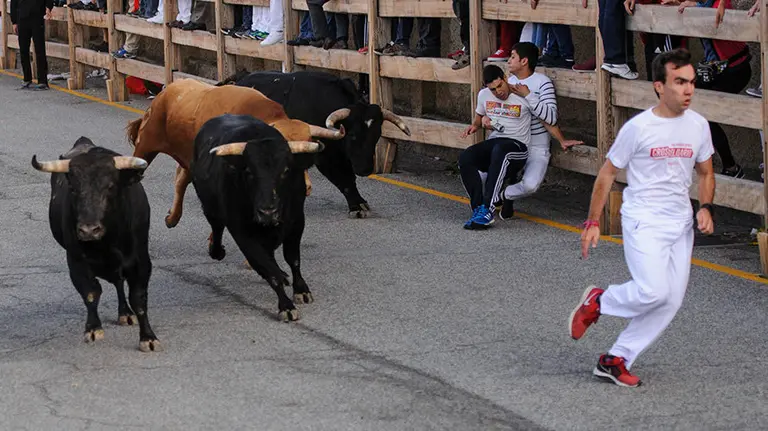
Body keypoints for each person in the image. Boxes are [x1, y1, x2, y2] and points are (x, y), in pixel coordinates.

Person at [569, 48, 715, 388]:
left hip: (679, 224)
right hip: (643, 220)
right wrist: (592, 222)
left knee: (670, 300)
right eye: (679, 82)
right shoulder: (638, 128)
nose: (688, 90)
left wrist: (706, 207)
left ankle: (615, 359)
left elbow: (706, 173)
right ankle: (599, 301)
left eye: (691, 82)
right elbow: (606, 175)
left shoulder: (698, 126)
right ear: (659, 86)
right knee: (652, 291)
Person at [459, 64, 580, 229]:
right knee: (466, 157)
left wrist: (562, 140)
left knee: (500, 151)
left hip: (518, 147)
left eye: (500, 85)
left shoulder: (520, 94)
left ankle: (488, 208)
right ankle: (478, 207)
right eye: (493, 89)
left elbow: (546, 121)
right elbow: (479, 116)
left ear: (505, 78)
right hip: (497, 141)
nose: (498, 91)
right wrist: (476, 125)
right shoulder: (483, 95)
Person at [501, 42, 583, 216]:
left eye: (513, 57)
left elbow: (551, 117)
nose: (508, 61)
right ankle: (489, 199)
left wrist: (528, 95)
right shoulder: (507, 81)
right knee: (482, 171)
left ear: (524, 61)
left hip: (537, 144)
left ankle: (504, 195)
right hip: (512, 141)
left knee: (530, 185)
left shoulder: (542, 82)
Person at [10, 0, 53, 90]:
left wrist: (49, 7)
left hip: (37, 17)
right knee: (23, 50)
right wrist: (14, 21)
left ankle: (42, 81)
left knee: (40, 49)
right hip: (22, 17)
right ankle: (27, 78)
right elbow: (13, 3)